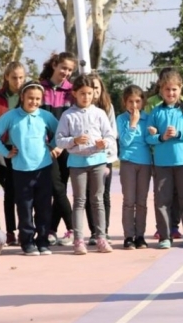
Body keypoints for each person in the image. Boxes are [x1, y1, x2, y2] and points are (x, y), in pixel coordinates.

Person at [0, 81, 60, 256]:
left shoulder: (45, 116)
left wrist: (54, 146)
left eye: (37, 99)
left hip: (43, 168)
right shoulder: (11, 116)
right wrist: (5, 152)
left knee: (43, 206)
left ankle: (42, 241)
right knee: (24, 207)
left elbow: (60, 133)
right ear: (22, 97)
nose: (33, 102)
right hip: (20, 170)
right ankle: (27, 242)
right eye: (30, 98)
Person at [56, 74, 116, 254]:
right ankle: (78, 240)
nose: (86, 97)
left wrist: (103, 143)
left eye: (90, 93)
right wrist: (73, 140)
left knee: (97, 199)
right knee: (79, 200)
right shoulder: (68, 115)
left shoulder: (99, 113)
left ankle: (101, 238)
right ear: (74, 93)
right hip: (77, 163)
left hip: (98, 161)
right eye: (82, 93)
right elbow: (59, 140)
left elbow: (110, 135)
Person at [145, 69, 183, 249]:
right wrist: (161, 137)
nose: (171, 93)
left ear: (180, 89)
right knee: (162, 201)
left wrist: (178, 133)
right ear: (161, 90)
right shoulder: (156, 111)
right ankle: (165, 236)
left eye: (174, 89)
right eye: (167, 89)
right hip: (161, 164)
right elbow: (148, 137)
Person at [39, 52, 76, 246]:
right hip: (47, 148)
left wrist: (62, 144)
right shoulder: (40, 88)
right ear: (54, 64)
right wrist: (50, 144)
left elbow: (74, 120)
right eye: (63, 67)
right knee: (56, 187)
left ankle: (52, 230)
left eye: (70, 70)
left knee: (59, 188)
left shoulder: (72, 91)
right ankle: (73, 228)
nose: (66, 73)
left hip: (66, 148)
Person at [0, 61, 26, 246]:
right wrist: (3, 150)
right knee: (10, 192)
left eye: (21, 77)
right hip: (4, 149)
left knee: (24, 193)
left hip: (24, 149)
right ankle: (11, 231)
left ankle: (25, 229)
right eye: (14, 77)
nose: (18, 81)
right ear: (6, 77)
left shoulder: (27, 94)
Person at [117, 85, 152, 250]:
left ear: (143, 101)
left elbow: (149, 140)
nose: (134, 105)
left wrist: (154, 133)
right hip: (128, 162)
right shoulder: (122, 119)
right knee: (129, 201)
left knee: (142, 201)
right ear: (125, 102)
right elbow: (124, 142)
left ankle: (140, 236)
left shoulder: (148, 118)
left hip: (145, 162)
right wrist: (133, 124)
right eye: (130, 101)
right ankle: (128, 236)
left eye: (137, 101)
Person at [85, 73, 117, 245]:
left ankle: (103, 231)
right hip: (86, 158)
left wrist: (104, 145)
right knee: (89, 195)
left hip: (105, 157)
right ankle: (93, 231)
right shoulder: (80, 109)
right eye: (90, 89)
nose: (93, 92)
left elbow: (112, 132)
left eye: (96, 88)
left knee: (103, 195)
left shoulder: (107, 107)